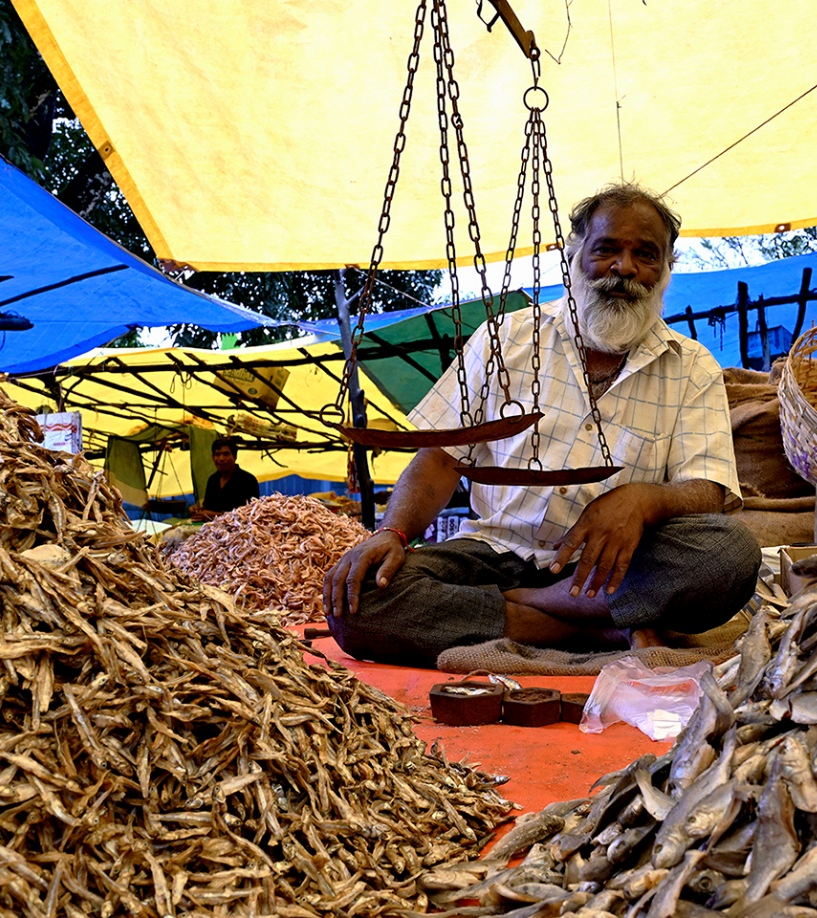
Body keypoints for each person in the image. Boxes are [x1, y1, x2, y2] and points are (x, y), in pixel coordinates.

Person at [322, 183, 760, 668]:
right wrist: (393, 532)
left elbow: (708, 489)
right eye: (606, 250)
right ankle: (594, 627)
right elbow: (440, 460)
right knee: (361, 599)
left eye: (645, 254)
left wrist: (644, 499)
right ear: (574, 254)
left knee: (730, 555)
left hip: (613, 567)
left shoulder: (691, 365)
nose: (624, 268)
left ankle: (528, 609)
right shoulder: (505, 338)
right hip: (493, 554)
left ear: (666, 269)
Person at [190, 436, 260, 521]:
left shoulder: (248, 480)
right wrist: (197, 509)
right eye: (217, 454)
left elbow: (251, 514)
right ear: (213, 457)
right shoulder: (213, 480)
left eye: (226, 454)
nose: (221, 459)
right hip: (213, 528)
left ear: (235, 457)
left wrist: (216, 515)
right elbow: (209, 507)